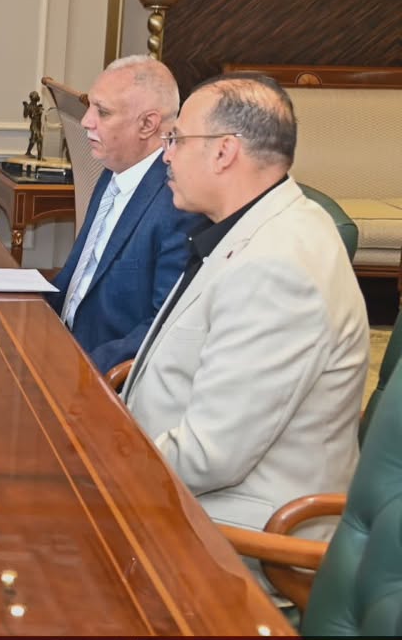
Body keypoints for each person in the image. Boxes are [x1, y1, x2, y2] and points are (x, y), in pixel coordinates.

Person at [123, 74, 368, 556]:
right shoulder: (260, 226)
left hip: (237, 537)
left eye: (176, 139)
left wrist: (98, 467)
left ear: (224, 152)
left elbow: (210, 456)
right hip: (181, 493)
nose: (166, 155)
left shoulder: (277, 267)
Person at [48, 56, 204, 373]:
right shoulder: (115, 167)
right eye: (90, 107)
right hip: (59, 341)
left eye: (102, 112)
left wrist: (78, 369)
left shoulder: (179, 202)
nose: (86, 121)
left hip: (99, 370)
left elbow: (163, 325)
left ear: (147, 125)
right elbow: (79, 275)